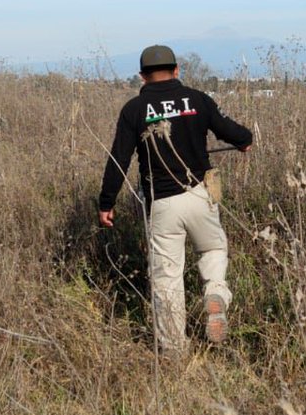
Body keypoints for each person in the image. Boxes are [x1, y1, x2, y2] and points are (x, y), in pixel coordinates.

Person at [98, 45, 253, 353]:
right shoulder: (197, 99)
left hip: (162, 204)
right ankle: (216, 295)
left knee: (167, 278)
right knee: (212, 248)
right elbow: (230, 131)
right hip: (200, 195)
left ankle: (173, 352)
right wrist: (244, 140)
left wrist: (106, 202)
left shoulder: (134, 110)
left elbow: (119, 158)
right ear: (177, 70)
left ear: (142, 77)